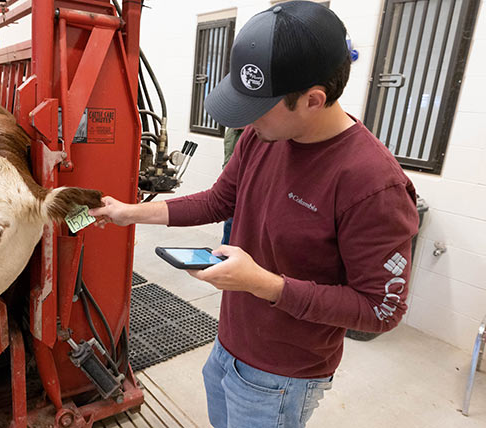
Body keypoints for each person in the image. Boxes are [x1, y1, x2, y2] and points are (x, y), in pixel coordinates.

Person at [89, 2, 419, 427]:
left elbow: (381, 309)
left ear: (313, 100)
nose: (245, 123)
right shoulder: (263, 137)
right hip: (229, 344)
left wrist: (265, 285)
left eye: (256, 108)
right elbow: (218, 200)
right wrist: (130, 212)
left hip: (282, 377)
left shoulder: (372, 184)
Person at [220, 127, 242, 245]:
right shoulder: (231, 133)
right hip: (232, 181)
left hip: (242, 183)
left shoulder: (254, 134)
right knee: (230, 223)